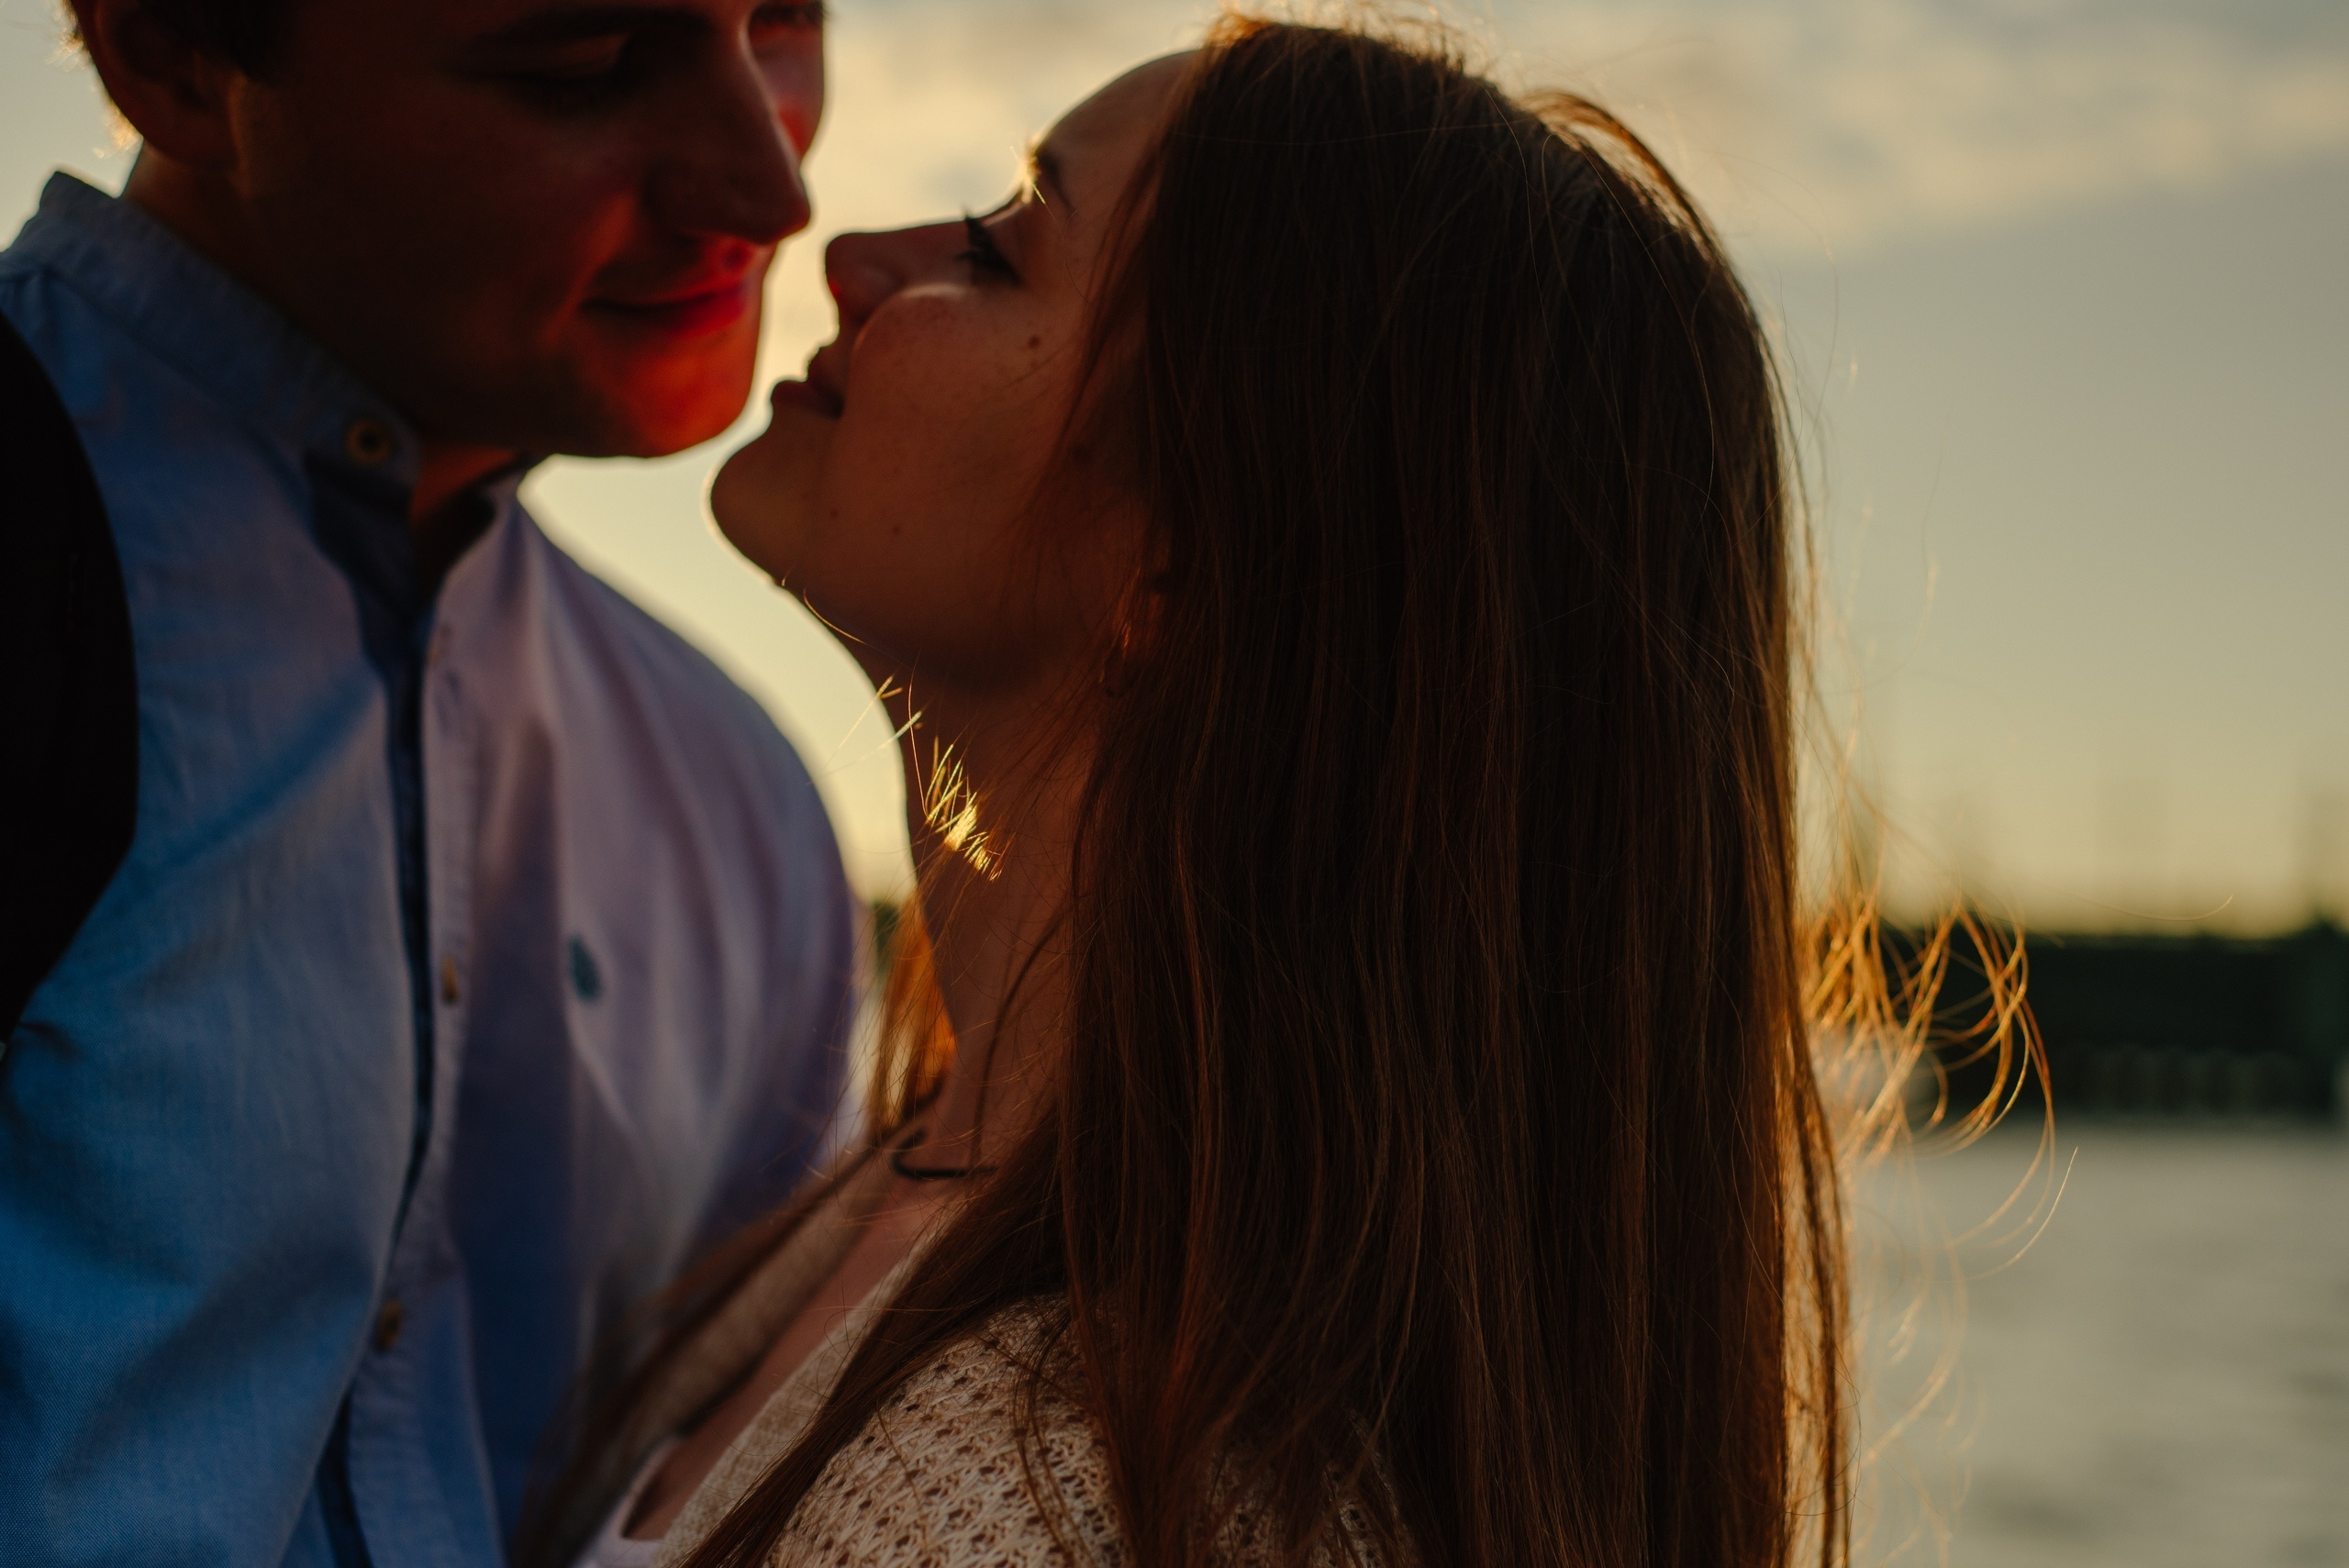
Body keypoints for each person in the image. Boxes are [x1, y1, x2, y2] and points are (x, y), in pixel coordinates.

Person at [522, 16, 1854, 1568]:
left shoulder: (1065, 1497)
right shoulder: (909, 1207)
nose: (854, 252)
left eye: (999, 249)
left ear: (1190, 562)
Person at [0, 3, 857, 1566]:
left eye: (785, 19)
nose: (767, 185)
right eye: (585, 65)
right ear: (177, 61)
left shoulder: (747, 805)